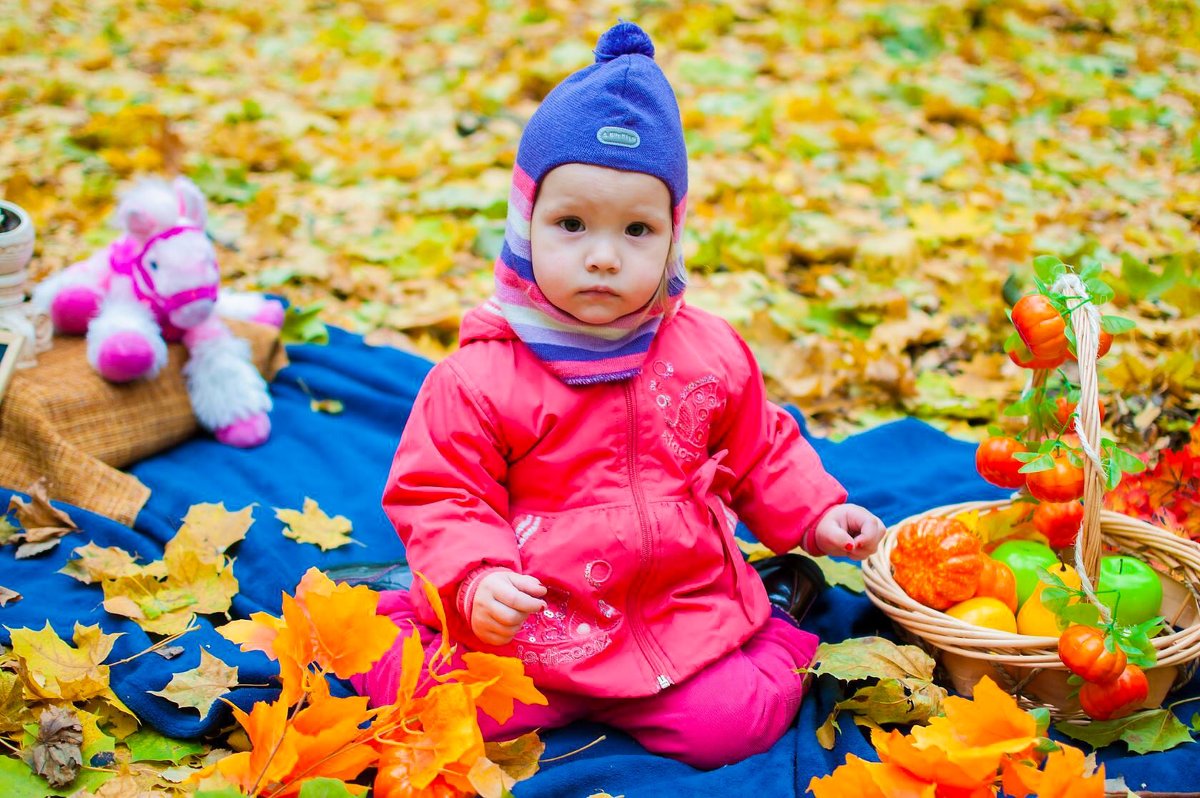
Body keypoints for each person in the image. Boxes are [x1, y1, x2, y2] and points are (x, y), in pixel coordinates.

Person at [351, 20, 886, 770]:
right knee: (419, 699)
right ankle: (412, 604)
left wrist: (819, 514)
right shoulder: (478, 378)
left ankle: (772, 617)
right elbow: (443, 494)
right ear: (525, 224)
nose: (603, 257)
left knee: (733, 728)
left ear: (674, 237)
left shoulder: (708, 354)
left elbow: (759, 450)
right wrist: (478, 580)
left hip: (673, 610)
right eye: (572, 224)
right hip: (533, 621)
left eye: (637, 229)